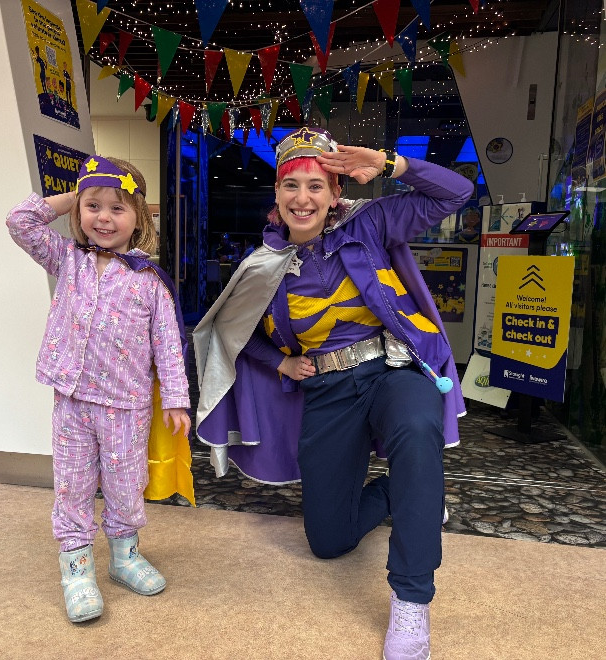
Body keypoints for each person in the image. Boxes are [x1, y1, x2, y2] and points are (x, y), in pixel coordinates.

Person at [194, 127, 473, 659]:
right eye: (291, 185)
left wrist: (391, 164)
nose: (303, 198)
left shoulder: (370, 223)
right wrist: (279, 361)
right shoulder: (262, 264)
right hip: (326, 390)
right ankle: (403, 493)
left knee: (417, 429)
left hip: (392, 370)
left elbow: (457, 194)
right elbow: (230, 332)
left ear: (334, 193)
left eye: (315, 186)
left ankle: (411, 599)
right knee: (329, 541)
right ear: (277, 193)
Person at [6, 155, 190, 623]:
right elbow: (20, 221)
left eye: (117, 208)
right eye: (94, 207)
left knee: (126, 485)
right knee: (72, 486)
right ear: (79, 212)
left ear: (138, 217)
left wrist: (176, 398)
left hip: (126, 407)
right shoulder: (67, 258)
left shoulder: (149, 281)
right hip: (71, 400)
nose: (104, 218)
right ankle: (77, 571)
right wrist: (78, 192)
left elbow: (168, 343)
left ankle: (124, 557)